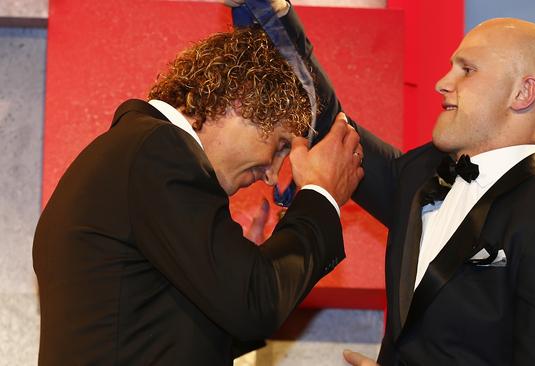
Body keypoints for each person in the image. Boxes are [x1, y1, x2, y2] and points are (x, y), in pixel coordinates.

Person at [269, 4, 535, 365]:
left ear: (522, 93)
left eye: (467, 70)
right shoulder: (419, 173)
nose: (442, 82)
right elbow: (325, 118)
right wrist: (271, 12)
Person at [32, 10, 364, 365]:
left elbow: (176, 334)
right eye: (282, 145)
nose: (271, 176)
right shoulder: (159, 152)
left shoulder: (132, 154)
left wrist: (236, 266)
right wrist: (320, 195)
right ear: (242, 98)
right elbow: (256, 304)